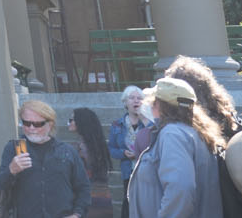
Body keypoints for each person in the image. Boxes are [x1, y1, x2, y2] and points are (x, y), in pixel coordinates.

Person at [125, 79, 223, 218]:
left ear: (159, 105)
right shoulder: (194, 132)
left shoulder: (172, 134)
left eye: (153, 102)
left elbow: (181, 189)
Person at [0, 100, 87, 218]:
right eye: (26, 123)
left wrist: (77, 214)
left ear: (50, 124)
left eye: (38, 124)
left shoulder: (67, 151)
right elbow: (2, 184)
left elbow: (83, 187)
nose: (31, 128)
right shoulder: (13, 148)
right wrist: (11, 170)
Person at [108, 90, 151, 218]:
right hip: (128, 170)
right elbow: (112, 149)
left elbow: (157, 142)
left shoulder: (149, 123)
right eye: (132, 98)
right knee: (129, 202)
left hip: (147, 169)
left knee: (146, 202)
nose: (136, 100)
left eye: (139, 98)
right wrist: (123, 153)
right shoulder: (117, 125)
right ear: (125, 102)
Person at [70, 108, 109, 213]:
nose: (69, 123)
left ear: (81, 122)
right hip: (100, 195)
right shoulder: (95, 145)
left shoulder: (82, 147)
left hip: (89, 197)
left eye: (71, 119)